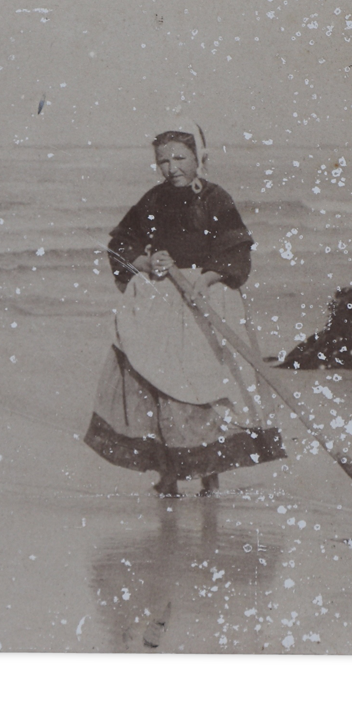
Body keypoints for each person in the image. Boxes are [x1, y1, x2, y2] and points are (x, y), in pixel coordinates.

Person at [83, 119, 286, 497]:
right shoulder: (154, 199)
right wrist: (146, 264)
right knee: (161, 384)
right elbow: (122, 242)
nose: (171, 168)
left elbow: (235, 249)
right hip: (162, 299)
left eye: (180, 157)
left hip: (206, 298)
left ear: (198, 157)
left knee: (207, 383)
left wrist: (206, 280)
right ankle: (169, 475)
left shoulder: (215, 198)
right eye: (163, 161)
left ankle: (211, 476)